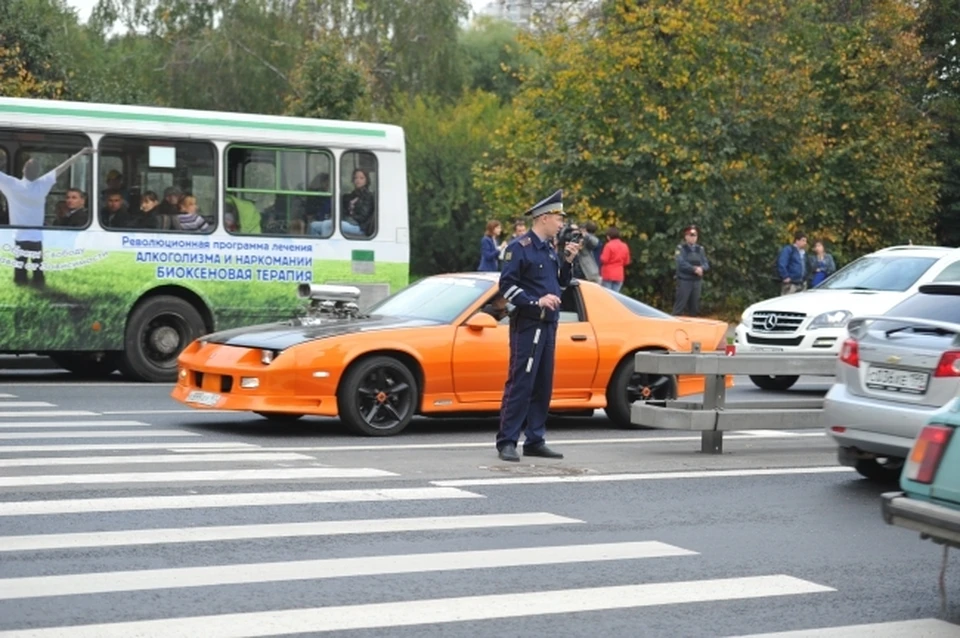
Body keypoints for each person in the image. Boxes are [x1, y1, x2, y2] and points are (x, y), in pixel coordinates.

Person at [496, 189, 580, 463]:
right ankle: (507, 440)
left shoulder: (549, 250)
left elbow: (561, 283)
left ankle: (535, 439)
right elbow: (506, 287)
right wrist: (535, 302)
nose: (561, 224)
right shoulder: (519, 249)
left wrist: (568, 260)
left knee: (543, 384)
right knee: (521, 382)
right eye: (558, 218)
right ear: (544, 218)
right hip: (528, 325)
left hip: (549, 325)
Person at [0, 147, 94, 287]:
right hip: (37, 237)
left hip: (19, 236)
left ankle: (21, 284)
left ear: (23, 170)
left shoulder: (12, 185)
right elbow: (63, 166)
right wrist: (81, 153)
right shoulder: (42, 184)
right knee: (38, 268)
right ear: (38, 173)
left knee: (20, 267)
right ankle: (39, 284)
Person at [673, 224, 710, 316]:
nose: (693, 238)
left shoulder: (700, 249)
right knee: (679, 307)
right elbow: (681, 263)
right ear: (686, 236)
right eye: (691, 235)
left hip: (696, 282)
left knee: (694, 308)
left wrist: (702, 268)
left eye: (695, 236)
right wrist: (694, 269)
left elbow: (706, 263)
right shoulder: (681, 248)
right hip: (684, 281)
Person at [599, 225, 630, 291]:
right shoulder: (624, 246)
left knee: (607, 295)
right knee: (615, 296)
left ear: (608, 236)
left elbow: (604, 260)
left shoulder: (608, 245)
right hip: (619, 274)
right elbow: (627, 261)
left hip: (608, 274)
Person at [777, 231, 808, 295]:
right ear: (797, 241)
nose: (805, 243)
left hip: (801, 283)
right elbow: (782, 263)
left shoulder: (803, 253)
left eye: (805, 241)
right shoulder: (789, 250)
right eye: (803, 240)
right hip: (791, 283)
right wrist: (785, 276)